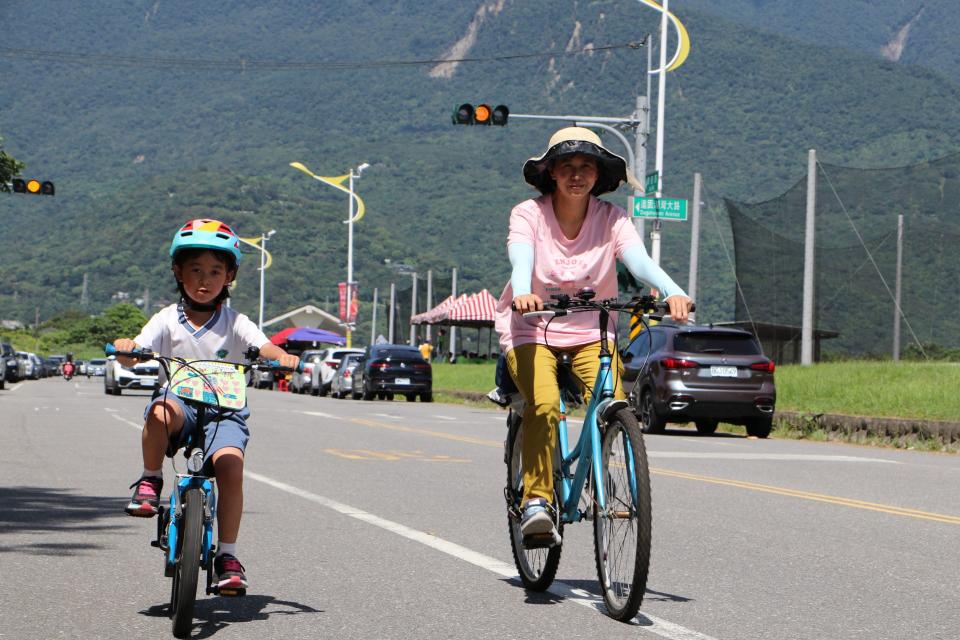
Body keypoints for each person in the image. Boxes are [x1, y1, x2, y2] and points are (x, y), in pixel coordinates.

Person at [494, 127, 694, 545]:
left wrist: (673, 290)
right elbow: (521, 256)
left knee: (612, 404)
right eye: (566, 166)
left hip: (591, 331)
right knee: (545, 405)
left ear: (598, 175)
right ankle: (536, 501)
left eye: (586, 166)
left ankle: (600, 473)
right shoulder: (528, 214)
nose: (576, 174)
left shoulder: (613, 219)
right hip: (532, 327)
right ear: (551, 173)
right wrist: (524, 290)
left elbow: (639, 262)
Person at [113, 218, 299, 594]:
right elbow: (134, 351)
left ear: (229, 275)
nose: (205, 279)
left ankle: (227, 556)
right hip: (179, 402)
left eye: (215, 271)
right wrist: (127, 348)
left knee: (232, 467)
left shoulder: (236, 321)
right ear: (178, 272)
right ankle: (150, 479)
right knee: (158, 410)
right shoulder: (166, 319)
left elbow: (263, 346)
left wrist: (279, 355)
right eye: (195, 269)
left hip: (224, 411)